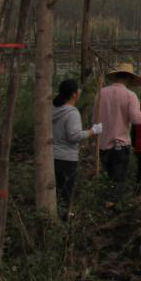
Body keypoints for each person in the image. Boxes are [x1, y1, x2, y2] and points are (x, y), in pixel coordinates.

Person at [95, 63, 141, 198]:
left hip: (103, 144)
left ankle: (106, 205)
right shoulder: (130, 95)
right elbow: (137, 119)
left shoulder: (101, 93)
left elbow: (95, 121)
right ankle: (116, 206)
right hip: (120, 145)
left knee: (107, 178)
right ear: (129, 79)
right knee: (119, 181)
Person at [52, 78, 100, 218]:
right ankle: (64, 219)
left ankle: (58, 215)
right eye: (78, 89)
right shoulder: (72, 113)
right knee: (66, 191)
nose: (80, 91)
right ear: (73, 94)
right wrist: (93, 131)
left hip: (53, 156)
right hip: (67, 158)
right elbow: (74, 136)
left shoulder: (54, 110)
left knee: (57, 190)